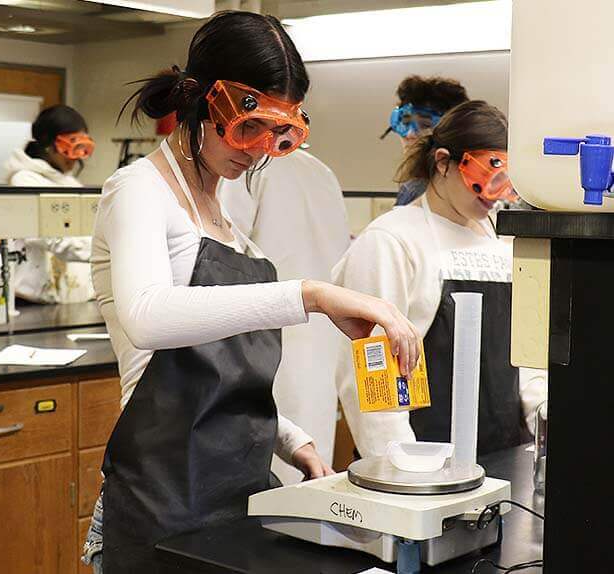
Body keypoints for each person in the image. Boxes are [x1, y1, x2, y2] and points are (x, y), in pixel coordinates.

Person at [84, 11, 420, 573]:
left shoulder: (227, 223)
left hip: (238, 496)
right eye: (248, 128)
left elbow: (213, 370)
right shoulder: (137, 191)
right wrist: (310, 295)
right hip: (160, 502)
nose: (260, 149)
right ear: (202, 103)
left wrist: (292, 439)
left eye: (280, 135)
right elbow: (148, 319)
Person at [332, 100, 547, 460]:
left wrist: (541, 418)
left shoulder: (503, 245)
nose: (491, 198)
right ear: (443, 162)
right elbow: (371, 375)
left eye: (503, 184)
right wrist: (403, 472)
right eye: (482, 179)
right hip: (421, 465)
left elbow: (525, 360)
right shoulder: (392, 240)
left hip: (503, 456)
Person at [219, 148, 350, 483]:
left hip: (267, 346)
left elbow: (221, 259)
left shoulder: (246, 170)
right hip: (320, 342)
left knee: (272, 494)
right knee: (310, 488)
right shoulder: (324, 172)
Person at [5, 105, 96, 304]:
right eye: (72, 146)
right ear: (49, 144)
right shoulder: (24, 180)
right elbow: (50, 237)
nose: (77, 156)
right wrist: (104, 250)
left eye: (83, 147)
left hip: (71, 300)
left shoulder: (69, 183)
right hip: (33, 300)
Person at [380, 75, 469, 206]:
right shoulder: (461, 187)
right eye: (404, 123)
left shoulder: (422, 189)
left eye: (425, 125)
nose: (410, 134)